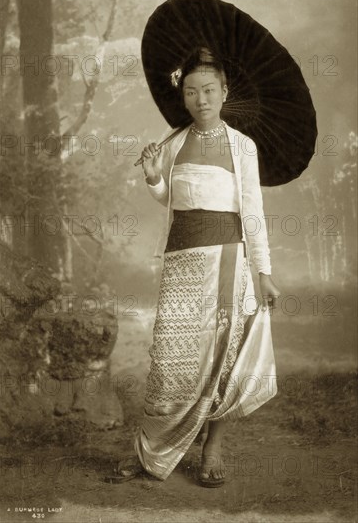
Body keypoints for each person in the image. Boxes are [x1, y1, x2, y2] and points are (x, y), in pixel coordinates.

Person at [117, 47, 280, 487]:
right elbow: (170, 199)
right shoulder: (174, 141)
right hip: (180, 261)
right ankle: (151, 450)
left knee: (223, 358)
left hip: (229, 261)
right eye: (191, 91)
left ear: (225, 93)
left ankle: (212, 449)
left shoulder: (242, 147)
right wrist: (154, 175)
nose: (201, 99)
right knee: (171, 362)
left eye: (209, 90)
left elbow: (253, 213)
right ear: (182, 96)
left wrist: (263, 273)